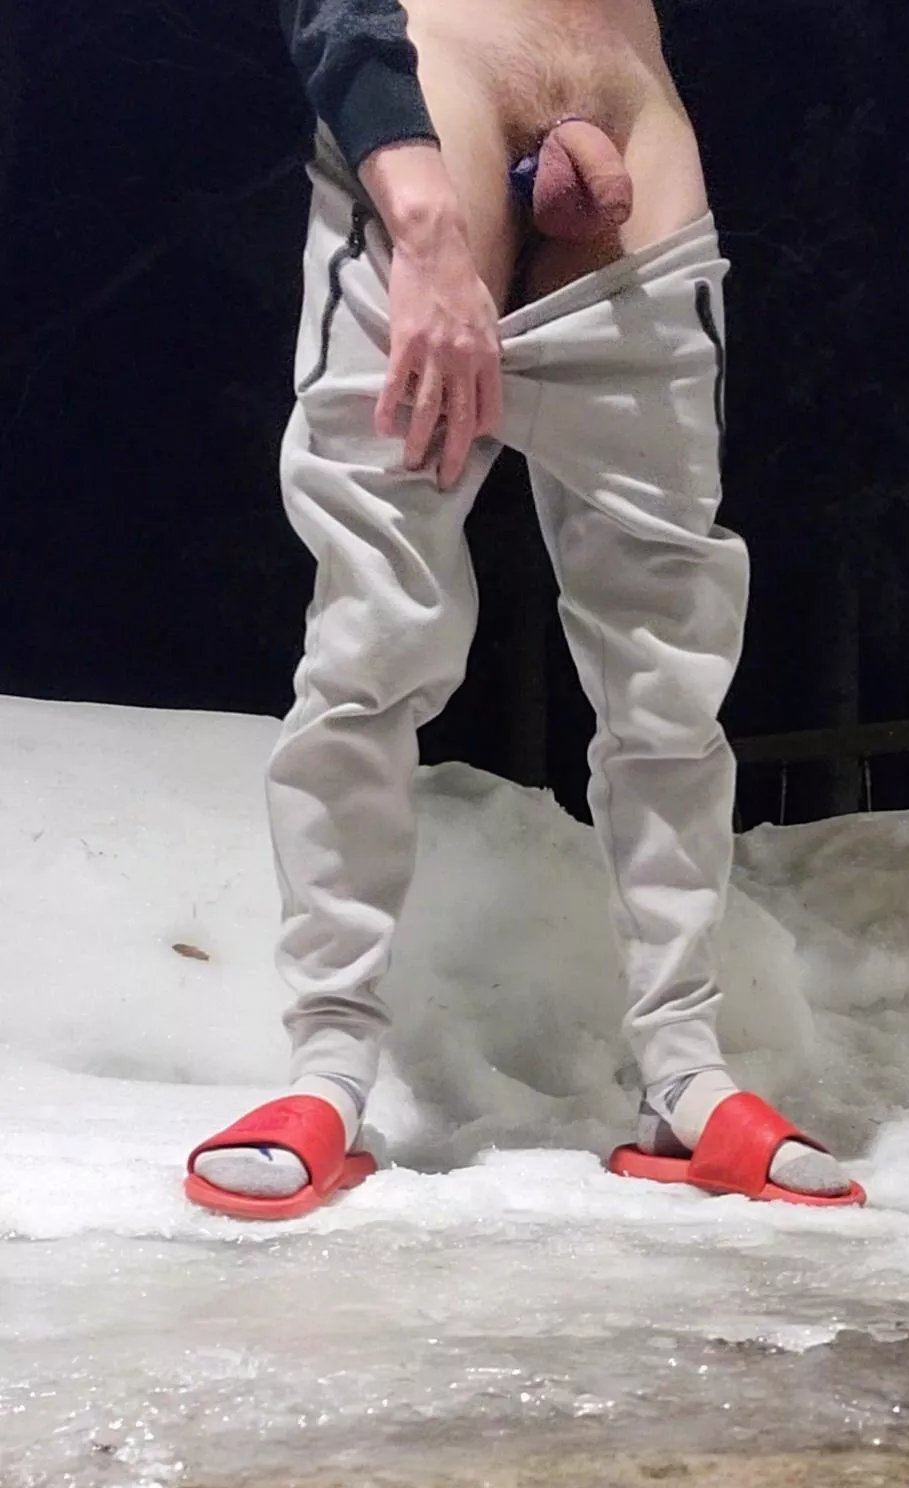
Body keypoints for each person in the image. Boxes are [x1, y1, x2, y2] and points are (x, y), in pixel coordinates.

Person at [185, 0, 865, 1219]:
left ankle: (686, 1080)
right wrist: (417, 203)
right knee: (368, 640)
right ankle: (329, 1068)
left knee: (671, 677)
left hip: (636, 148)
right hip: (431, 130)